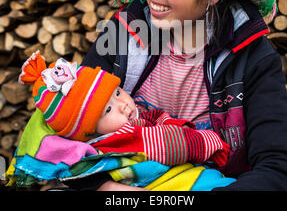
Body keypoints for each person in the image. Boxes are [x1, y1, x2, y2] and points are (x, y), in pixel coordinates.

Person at [71, 0, 287, 191]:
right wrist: (104, 188)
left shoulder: (251, 56)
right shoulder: (123, 33)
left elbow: (281, 167)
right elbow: (64, 129)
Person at [19, 50, 230, 169]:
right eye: (108, 110)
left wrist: (166, 120)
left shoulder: (123, 122)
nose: (124, 104)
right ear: (88, 132)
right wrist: (209, 143)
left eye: (118, 92)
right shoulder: (121, 140)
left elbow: (150, 116)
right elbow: (172, 145)